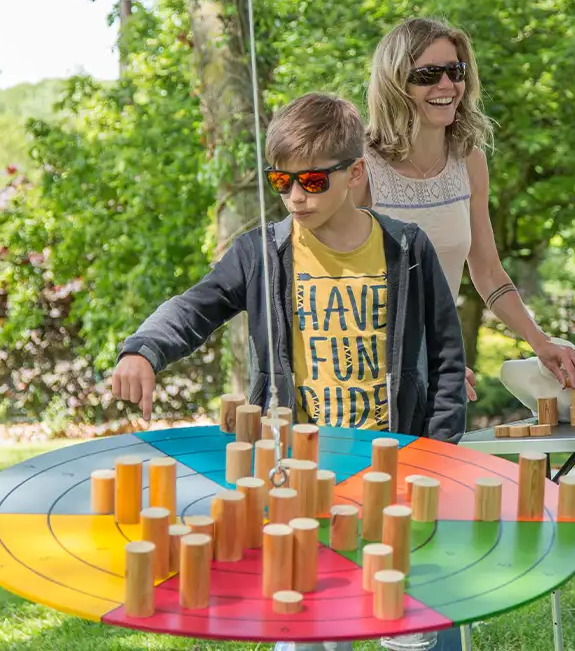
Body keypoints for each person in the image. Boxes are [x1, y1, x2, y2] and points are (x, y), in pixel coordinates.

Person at [111, 92, 467, 651]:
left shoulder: (406, 247)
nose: (296, 198)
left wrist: (438, 455)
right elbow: (194, 306)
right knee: (306, 631)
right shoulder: (261, 252)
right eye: (282, 182)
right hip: (299, 479)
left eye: (312, 182)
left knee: (412, 631)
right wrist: (143, 350)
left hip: (394, 469)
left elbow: (449, 358)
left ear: (355, 174)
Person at [359, 17, 575, 400]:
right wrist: (419, 361)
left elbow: (487, 273)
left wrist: (541, 342)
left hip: (436, 373)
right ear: (395, 83)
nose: (447, 85)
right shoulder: (360, 169)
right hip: (365, 375)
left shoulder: (469, 161)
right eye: (429, 74)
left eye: (455, 71)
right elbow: (334, 287)